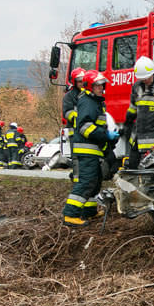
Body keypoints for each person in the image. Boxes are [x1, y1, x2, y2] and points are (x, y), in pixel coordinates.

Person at [63, 70, 118, 226]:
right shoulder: (87, 101)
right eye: (97, 85)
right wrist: (105, 135)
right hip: (86, 151)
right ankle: (70, 215)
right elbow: (84, 127)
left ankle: (89, 211)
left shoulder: (95, 101)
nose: (100, 88)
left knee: (94, 181)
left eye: (102, 85)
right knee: (86, 182)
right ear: (89, 86)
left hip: (93, 150)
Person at [63, 68, 86, 182]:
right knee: (76, 156)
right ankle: (77, 180)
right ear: (74, 82)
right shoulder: (69, 96)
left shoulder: (89, 94)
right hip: (75, 131)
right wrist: (78, 118)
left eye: (83, 80)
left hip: (88, 130)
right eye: (79, 81)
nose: (82, 83)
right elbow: (67, 112)